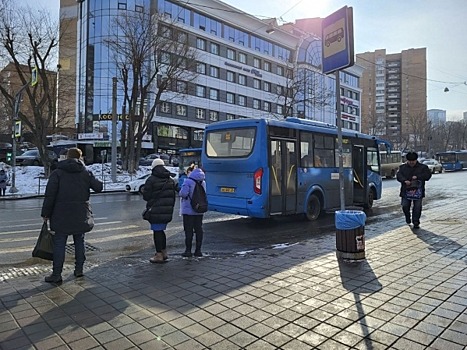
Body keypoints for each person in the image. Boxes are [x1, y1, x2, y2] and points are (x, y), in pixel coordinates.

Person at [41, 148, 103, 283]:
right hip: (81, 214)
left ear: (66, 157)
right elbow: (99, 187)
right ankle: (79, 270)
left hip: (60, 215)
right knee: (79, 242)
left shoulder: (57, 173)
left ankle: (57, 275)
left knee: (59, 244)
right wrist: (86, 170)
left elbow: (50, 196)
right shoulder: (86, 172)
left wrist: (45, 214)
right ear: (81, 158)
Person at [143, 158, 178, 263]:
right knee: (161, 231)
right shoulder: (170, 180)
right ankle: (164, 252)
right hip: (167, 212)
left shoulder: (151, 179)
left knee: (157, 232)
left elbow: (146, 196)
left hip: (155, 211)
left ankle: (159, 255)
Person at [396, 152, 432, 229]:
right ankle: (408, 217)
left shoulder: (423, 167)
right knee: (405, 205)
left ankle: (416, 221)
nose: (411, 162)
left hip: (418, 191)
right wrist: (404, 181)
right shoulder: (402, 167)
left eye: (413, 161)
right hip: (406, 191)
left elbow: (428, 176)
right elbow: (399, 176)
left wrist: (418, 177)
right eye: (410, 161)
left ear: (416, 160)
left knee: (417, 207)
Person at [179, 167, 206, 257]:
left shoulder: (187, 181)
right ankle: (198, 251)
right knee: (199, 229)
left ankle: (188, 251)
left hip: (188, 211)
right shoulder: (203, 182)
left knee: (188, 230)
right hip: (199, 209)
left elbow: (183, 194)